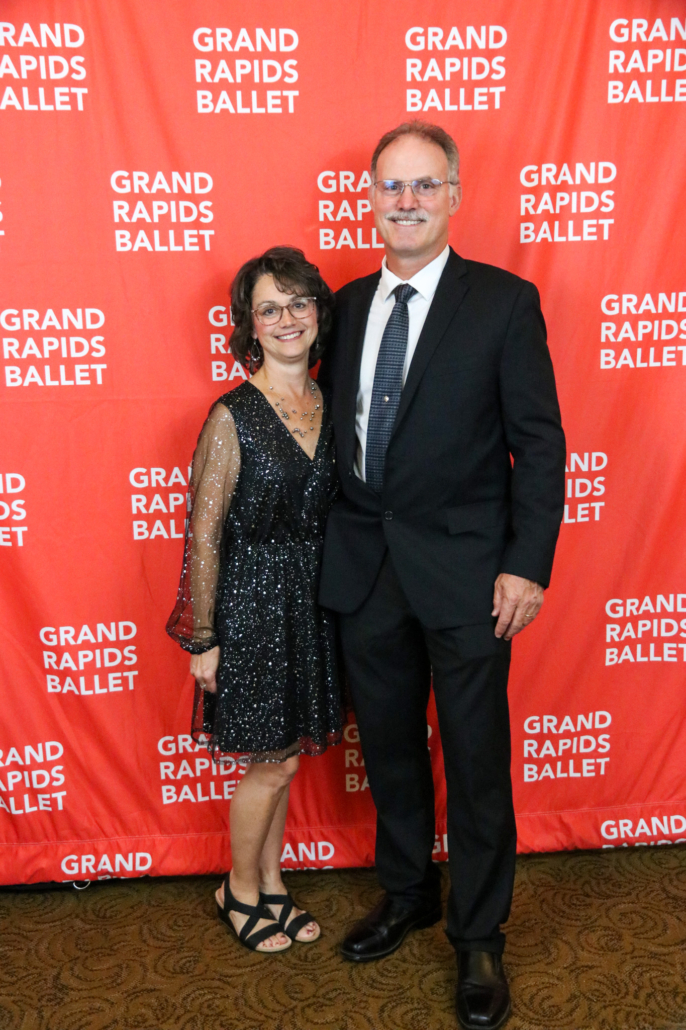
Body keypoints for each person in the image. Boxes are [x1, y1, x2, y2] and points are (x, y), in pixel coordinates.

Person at [318, 122, 566, 1028]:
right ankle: (408, 891)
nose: (408, 201)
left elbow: (540, 444)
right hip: (366, 569)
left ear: (455, 196)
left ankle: (479, 936)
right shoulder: (345, 305)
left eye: (425, 185)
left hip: (468, 576)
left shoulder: (504, 302)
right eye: (392, 186)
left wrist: (526, 565)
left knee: (475, 758)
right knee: (389, 748)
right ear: (370, 199)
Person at [167, 246, 342, 954]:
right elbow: (203, 534)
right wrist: (204, 638)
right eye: (270, 308)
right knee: (272, 763)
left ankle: (271, 883)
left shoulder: (329, 402)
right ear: (250, 325)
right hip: (251, 610)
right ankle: (238, 890)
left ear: (318, 312)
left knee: (285, 759)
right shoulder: (232, 415)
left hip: (312, 607)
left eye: (299, 303)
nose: (287, 318)